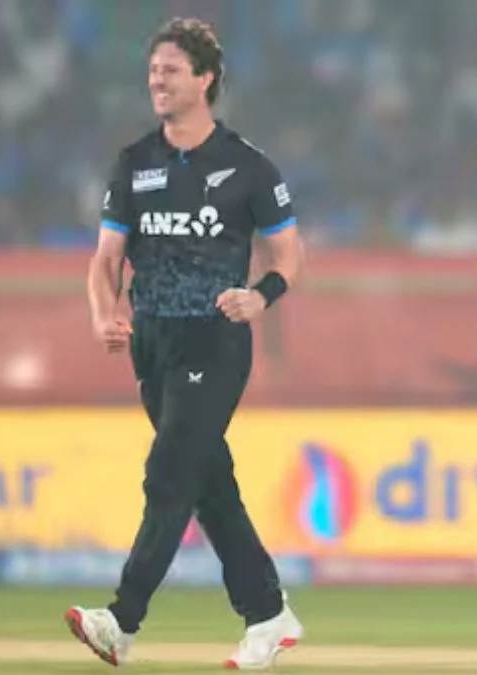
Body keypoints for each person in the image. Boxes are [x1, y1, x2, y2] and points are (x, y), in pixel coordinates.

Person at [64, 18, 307, 670]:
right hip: (153, 344)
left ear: (205, 79)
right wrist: (104, 312)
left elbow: (289, 252)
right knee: (207, 484)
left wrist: (260, 297)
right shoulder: (134, 162)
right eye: (152, 70)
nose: (157, 80)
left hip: (216, 339)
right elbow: (105, 259)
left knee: (169, 473)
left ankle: (121, 620)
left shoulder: (247, 165)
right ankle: (268, 614)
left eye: (170, 70)